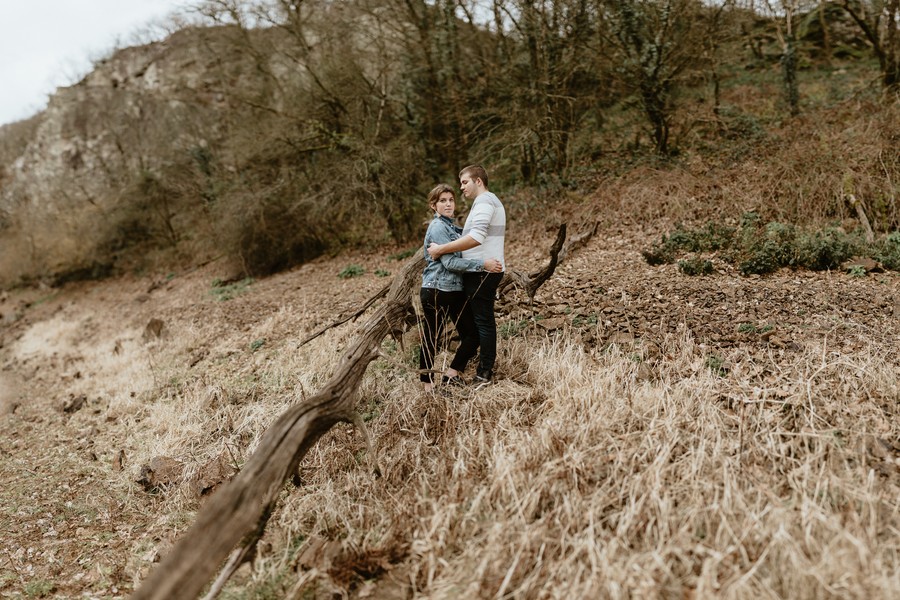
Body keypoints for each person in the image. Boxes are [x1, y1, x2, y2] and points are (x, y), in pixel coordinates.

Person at [427, 165, 505, 389]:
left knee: (483, 322)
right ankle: (460, 371)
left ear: (478, 181)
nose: (461, 188)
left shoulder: (484, 202)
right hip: (480, 271)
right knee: (478, 324)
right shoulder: (487, 202)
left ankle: (483, 373)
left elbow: (477, 237)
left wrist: (441, 249)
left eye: (464, 182)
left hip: (483, 272)